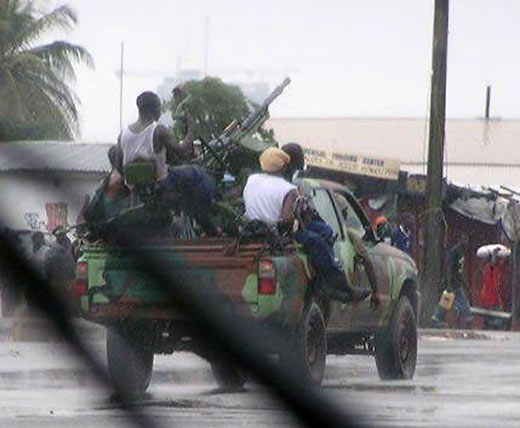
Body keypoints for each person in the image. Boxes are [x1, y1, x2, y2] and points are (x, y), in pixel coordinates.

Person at [243, 147, 369, 303]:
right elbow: (287, 220)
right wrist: (297, 222)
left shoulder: (252, 180)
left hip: (253, 229)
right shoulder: (288, 189)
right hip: (277, 233)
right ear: (284, 166)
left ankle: (325, 282)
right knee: (317, 242)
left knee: (324, 231)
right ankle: (340, 285)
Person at [334, 193, 381, 308]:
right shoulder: (351, 235)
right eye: (345, 212)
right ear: (344, 213)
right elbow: (367, 262)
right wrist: (375, 292)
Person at [431, 238, 473, 328]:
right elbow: (449, 268)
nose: (467, 245)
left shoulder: (462, 252)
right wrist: (449, 283)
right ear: (460, 241)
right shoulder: (454, 251)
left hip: (456, 280)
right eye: (465, 242)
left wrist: (465, 284)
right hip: (453, 281)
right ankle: (467, 317)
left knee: (447, 300)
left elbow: (459, 271)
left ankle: (437, 318)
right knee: (461, 300)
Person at [479, 247, 507, 329]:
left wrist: (505, 253)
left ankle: (488, 326)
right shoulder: (489, 268)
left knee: (495, 317)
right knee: (495, 317)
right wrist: (494, 253)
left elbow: (502, 262)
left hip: (494, 298)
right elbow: (493, 263)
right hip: (489, 298)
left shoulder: (496, 269)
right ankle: (489, 326)